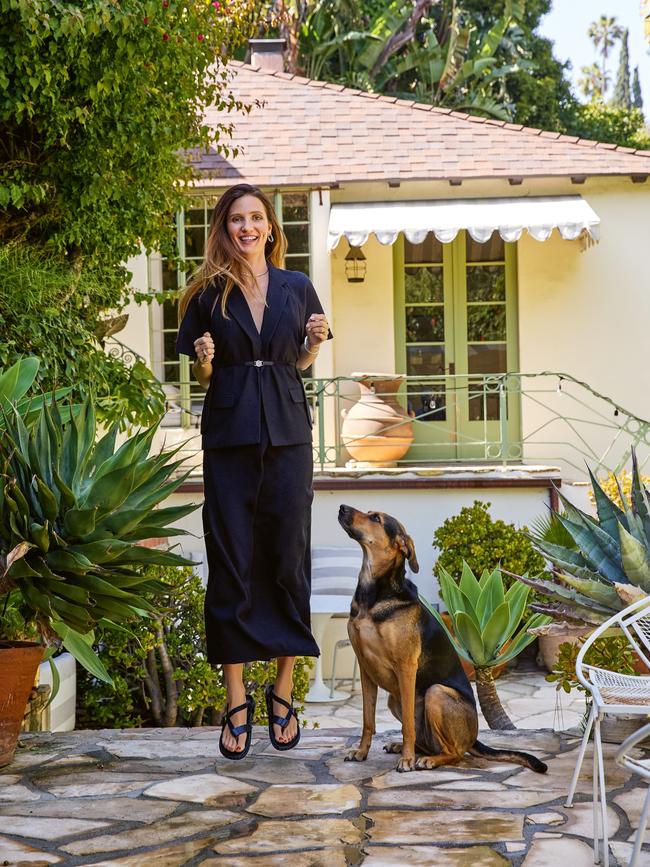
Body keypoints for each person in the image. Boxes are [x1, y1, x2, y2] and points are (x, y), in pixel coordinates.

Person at [176, 183, 331, 760]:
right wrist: (208, 362)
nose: (247, 227)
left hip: (290, 433)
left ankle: (283, 690)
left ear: (271, 227)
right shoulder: (207, 295)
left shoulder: (297, 286)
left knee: (288, 554)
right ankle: (236, 698)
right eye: (236, 219)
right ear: (224, 228)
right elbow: (204, 377)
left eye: (256, 218)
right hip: (230, 434)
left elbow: (300, 362)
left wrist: (313, 344)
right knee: (233, 557)